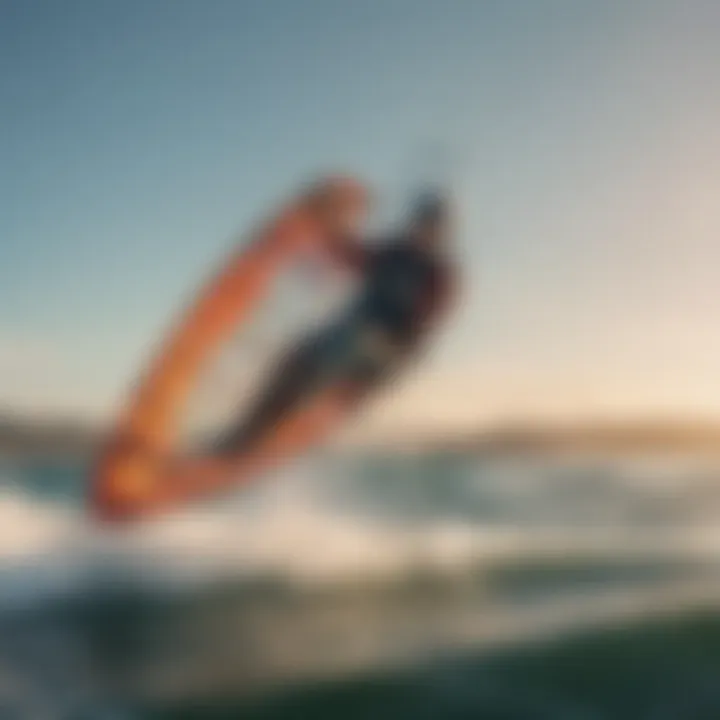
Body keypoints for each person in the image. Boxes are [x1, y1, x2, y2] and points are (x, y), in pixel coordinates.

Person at [212, 189, 458, 457]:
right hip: (351, 338)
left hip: (386, 353)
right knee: (297, 355)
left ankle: (266, 434)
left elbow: (422, 325)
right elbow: (350, 255)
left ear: (439, 232)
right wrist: (322, 229)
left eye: (429, 226)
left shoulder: (437, 274)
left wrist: (391, 342)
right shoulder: (392, 254)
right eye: (418, 223)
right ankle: (248, 431)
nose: (420, 230)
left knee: (342, 345)